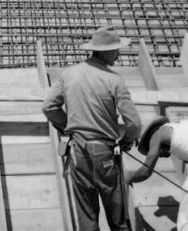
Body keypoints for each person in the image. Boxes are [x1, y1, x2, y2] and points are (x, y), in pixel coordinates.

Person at [41, 26, 141, 231]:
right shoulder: (114, 80)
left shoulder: (69, 74)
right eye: (115, 49)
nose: (118, 54)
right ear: (105, 51)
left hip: (78, 152)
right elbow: (134, 124)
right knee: (118, 218)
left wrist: (67, 126)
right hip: (105, 155)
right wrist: (127, 141)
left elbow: (48, 107)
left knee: (87, 216)